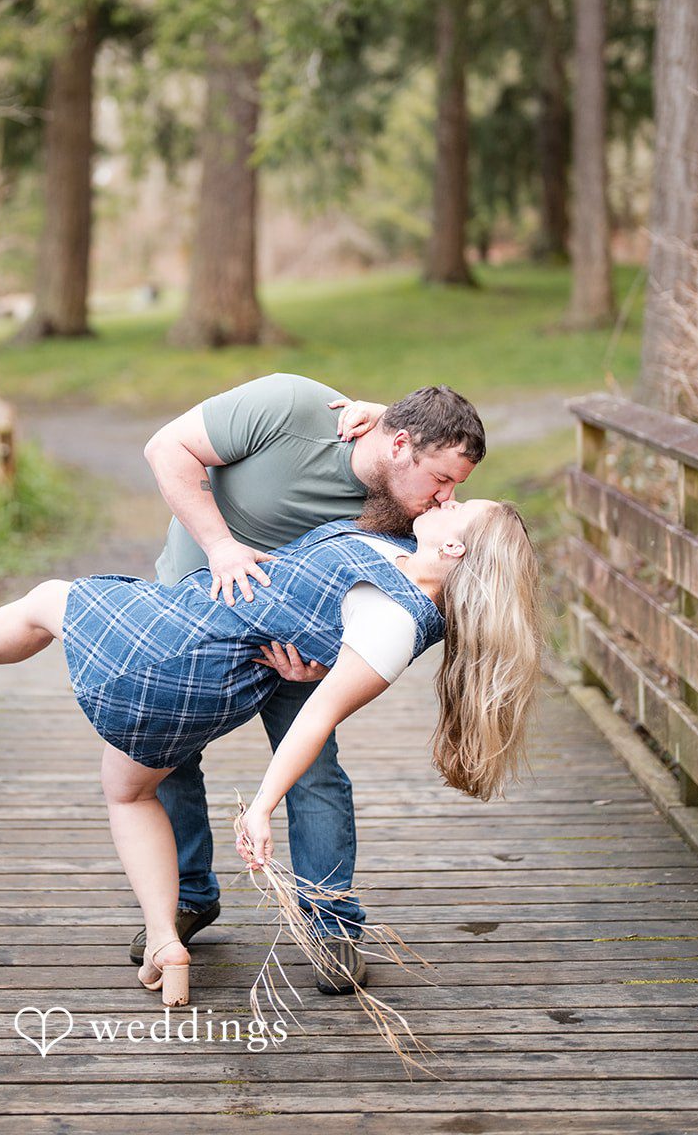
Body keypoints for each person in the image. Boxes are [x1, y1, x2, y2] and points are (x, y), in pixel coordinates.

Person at [0, 493, 543, 1010]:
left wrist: (260, 807)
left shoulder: (394, 621)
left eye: (460, 505)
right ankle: (165, 944)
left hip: (176, 649)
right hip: (200, 656)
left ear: (454, 546)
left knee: (50, 602)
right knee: (131, 789)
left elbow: (316, 719)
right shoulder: (401, 559)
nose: (448, 498)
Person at [140, 374, 486, 993]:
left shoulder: (409, 520)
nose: (445, 499)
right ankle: (188, 897)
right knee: (167, 758)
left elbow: (382, 609)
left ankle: (330, 924)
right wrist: (221, 547)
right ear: (399, 444)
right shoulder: (290, 406)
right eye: (441, 479)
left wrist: (327, 663)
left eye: (455, 487)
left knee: (315, 769)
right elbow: (166, 448)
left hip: (294, 648)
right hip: (194, 614)